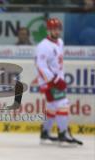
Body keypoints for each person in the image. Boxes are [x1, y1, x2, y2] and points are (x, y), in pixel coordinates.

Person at [34, 18, 82, 146]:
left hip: (57, 80)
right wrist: (55, 81)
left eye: (58, 28)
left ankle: (45, 134)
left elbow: (57, 63)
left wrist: (61, 78)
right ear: (48, 30)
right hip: (50, 82)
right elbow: (41, 66)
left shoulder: (60, 42)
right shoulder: (43, 46)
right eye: (53, 29)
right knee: (63, 104)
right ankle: (63, 135)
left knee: (52, 107)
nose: (56, 31)